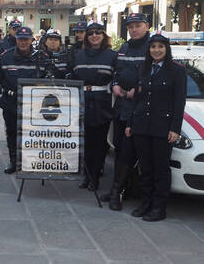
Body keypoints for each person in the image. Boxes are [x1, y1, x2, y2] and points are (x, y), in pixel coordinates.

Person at [126, 32, 185, 221]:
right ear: (148, 49)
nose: (156, 50)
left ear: (166, 49)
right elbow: (137, 98)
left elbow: (179, 102)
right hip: (142, 125)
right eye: (153, 47)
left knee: (161, 169)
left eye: (160, 47)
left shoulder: (177, 70)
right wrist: (130, 123)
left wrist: (175, 128)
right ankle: (146, 203)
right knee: (145, 168)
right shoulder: (142, 68)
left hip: (162, 126)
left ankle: (159, 207)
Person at [102, 13, 151, 204]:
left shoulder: (152, 48)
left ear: (146, 26)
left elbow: (158, 77)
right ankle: (122, 189)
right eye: (131, 27)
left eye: (138, 26)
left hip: (140, 109)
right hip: (121, 107)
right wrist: (114, 84)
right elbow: (117, 71)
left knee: (129, 153)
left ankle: (118, 192)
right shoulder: (125, 47)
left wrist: (139, 90)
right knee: (120, 150)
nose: (134, 29)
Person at [70, 21, 117, 193]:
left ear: (103, 35)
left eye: (98, 32)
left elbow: (116, 79)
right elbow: (72, 77)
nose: (94, 36)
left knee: (99, 143)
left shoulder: (112, 56)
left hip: (101, 103)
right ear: (87, 37)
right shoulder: (78, 55)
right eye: (91, 33)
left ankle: (95, 177)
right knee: (86, 143)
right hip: (82, 102)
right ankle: (87, 174)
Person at [0, 26, 44, 174]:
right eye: (20, 39)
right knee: (11, 133)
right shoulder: (6, 57)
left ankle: (29, 161)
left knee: (31, 133)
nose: (23, 42)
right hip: (11, 102)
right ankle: (14, 161)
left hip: (33, 104)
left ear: (31, 40)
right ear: (16, 39)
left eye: (26, 39)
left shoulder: (40, 57)